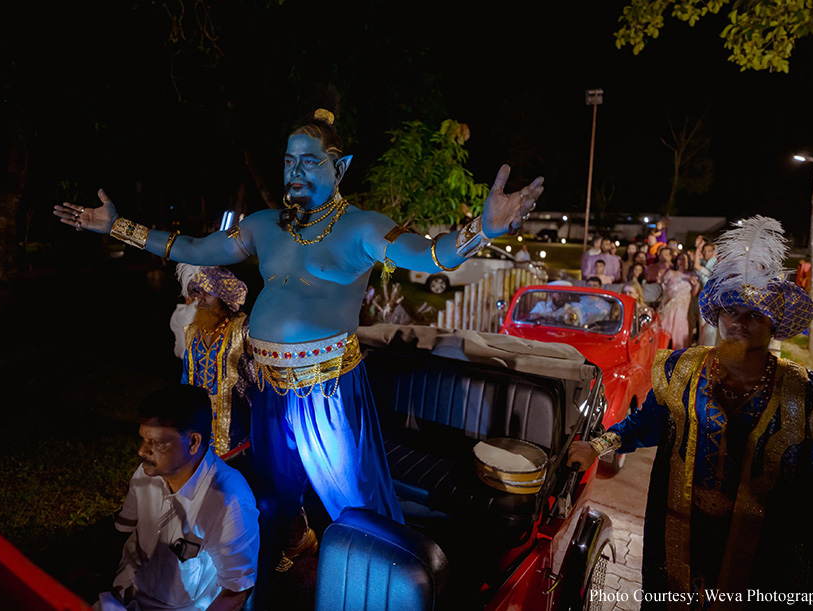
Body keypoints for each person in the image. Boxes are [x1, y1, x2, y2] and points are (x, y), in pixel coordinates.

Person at [55, 108, 543, 565]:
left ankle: (388, 573)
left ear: (340, 167)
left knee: (354, 499)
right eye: (289, 161)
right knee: (275, 489)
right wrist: (117, 226)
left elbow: (429, 255)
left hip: (326, 390)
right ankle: (293, 560)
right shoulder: (263, 226)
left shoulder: (362, 228)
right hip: (268, 387)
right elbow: (192, 247)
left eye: (310, 161)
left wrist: (482, 229)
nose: (296, 170)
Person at [567, 216, 813, 608]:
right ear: (717, 315)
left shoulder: (806, 396)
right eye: (732, 311)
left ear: (774, 324)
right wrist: (596, 447)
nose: (740, 323)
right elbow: (643, 425)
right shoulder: (681, 370)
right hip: (680, 555)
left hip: (765, 572)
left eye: (755, 315)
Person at [99, 385, 260, 611]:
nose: (142, 452)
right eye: (143, 440)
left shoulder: (229, 502)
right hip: (123, 597)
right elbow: (122, 532)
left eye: (156, 442)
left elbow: (236, 589)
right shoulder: (145, 475)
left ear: (193, 442)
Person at [176, 264, 256, 456]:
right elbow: (186, 376)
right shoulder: (193, 331)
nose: (200, 299)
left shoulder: (244, 328)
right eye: (198, 293)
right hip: (197, 431)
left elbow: (258, 379)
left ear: (223, 298)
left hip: (236, 436)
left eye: (207, 294)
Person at [658, 253, 700, 350]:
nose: (682, 261)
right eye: (680, 259)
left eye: (684, 259)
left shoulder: (692, 275)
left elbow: (694, 294)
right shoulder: (670, 273)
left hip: (682, 309)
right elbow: (665, 290)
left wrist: (696, 284)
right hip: (670, 307)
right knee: (665, 333)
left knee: (680, 336)